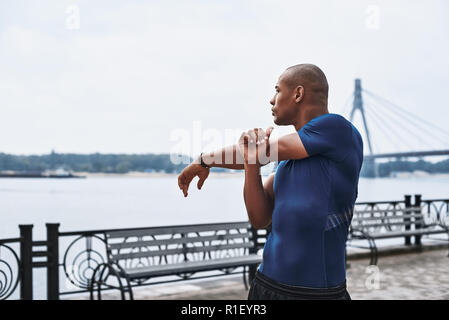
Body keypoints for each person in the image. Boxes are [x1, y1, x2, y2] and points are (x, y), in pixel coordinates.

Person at [177, 64, 363, 300]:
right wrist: (250, 165)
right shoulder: (285, 161)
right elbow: (259, 218)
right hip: (266, 285)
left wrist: (205, 160)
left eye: (277, 90)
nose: (271, 99)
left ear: (297, 94)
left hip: (315, 293)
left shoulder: (337, 129)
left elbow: (264, 150)